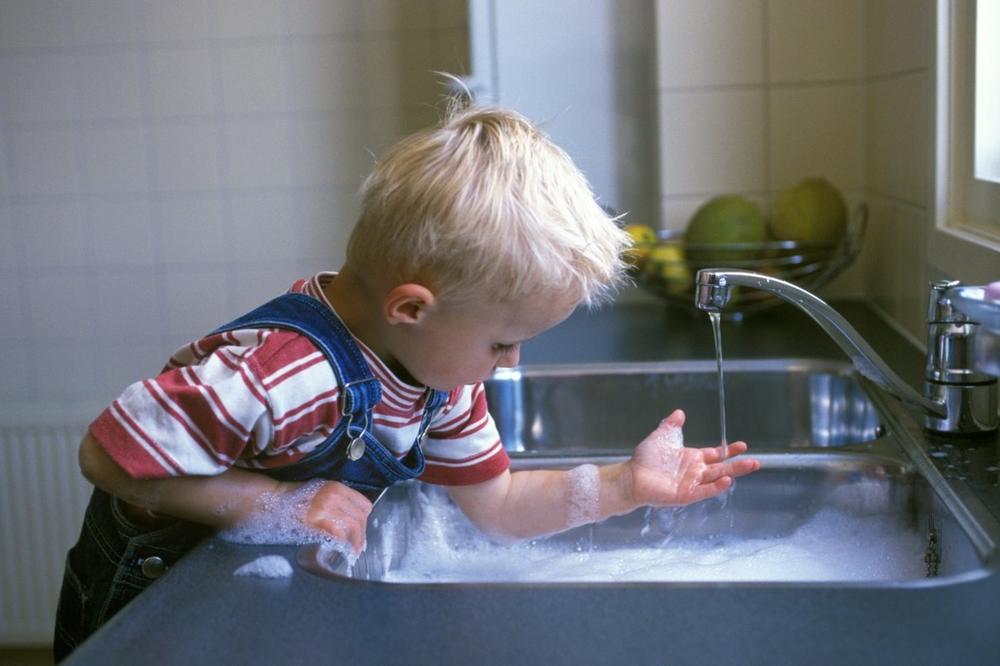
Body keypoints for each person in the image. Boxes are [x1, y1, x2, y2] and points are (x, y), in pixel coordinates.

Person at [54, 100, 759, 660]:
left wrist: (621, 489)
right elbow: (106, 453)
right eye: (503, 342)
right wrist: (266, 503)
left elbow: (500, 504)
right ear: (413, 309)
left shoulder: (440, 379)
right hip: (154, 589)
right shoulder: (287, 372)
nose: (511, 363)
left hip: (259, 593)